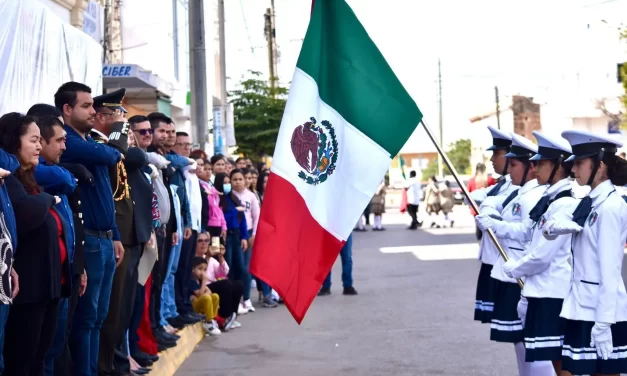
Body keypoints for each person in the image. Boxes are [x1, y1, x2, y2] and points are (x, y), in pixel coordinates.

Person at [476, 131, 577, 375]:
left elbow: (541, 252)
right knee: (538, 351)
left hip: (549, 287)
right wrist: (494, 224)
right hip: (537, 284)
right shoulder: (549, 198)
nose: (535, 167)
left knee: (549, 356)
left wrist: (516, 269)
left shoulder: (559, 201)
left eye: (541, 163)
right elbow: (527, 231)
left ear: (558, 167)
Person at [542, 130, 627, 376]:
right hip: (582, 307)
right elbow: (551, 227)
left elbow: (611, 271)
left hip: (601, 313)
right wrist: (551, 228)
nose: (572, 170)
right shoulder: (589, 201)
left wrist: (602, 324)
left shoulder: (610, 206)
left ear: (599, 166)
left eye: (579, 163)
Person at [56, 81, 124, 376]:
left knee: (98, 317)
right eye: (86, 105)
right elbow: (115, 155)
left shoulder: (89, 142)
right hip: (91, 242)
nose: (93, 111)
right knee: (86, 319)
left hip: (106, 239)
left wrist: (117, 235)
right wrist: (119, 128)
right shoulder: (69, 142)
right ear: (67, 109)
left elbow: (106, 194)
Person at [0, 113, 65, 375]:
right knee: (21, 360)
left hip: (46, 288)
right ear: (14, 141)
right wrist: (49, 199)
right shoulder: (10, 178)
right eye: (34, 140)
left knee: (41, 355)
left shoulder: (28, 177)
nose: (39, 146)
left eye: (40, 140)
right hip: (26, 292)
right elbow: (27, 214)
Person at [471, 125, 518, 324]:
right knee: (511, 331)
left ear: (510, 157)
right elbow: (476, 197)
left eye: (496, 154)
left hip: (506, 262)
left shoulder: (515, 186)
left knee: (517, 329)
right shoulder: (501, 184)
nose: (491, 159)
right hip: (494, 260)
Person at [188, 257, 221, 335]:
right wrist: (204, 281)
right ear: (193, 269)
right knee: (206, 297)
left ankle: (213, 319)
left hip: (200, 301)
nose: (202, 273)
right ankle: (208, 322)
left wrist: (205, 293)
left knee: (215, 296)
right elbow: (200, 295)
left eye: (204, 270)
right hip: (194, 306)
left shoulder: (199, 280)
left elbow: (209, 291)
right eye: (200, 269)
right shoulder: (191, 280)